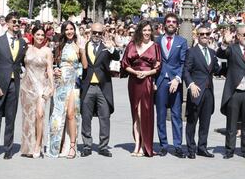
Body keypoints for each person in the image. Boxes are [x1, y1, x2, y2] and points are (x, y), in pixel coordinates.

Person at [0, 12, 27, 160]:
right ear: (7, 23)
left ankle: (8, 149)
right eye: (14, 22)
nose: (17, 25)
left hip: (14, 85)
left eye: (19, 23)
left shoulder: (22, 43)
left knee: (10, 118)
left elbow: (24, 64)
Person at [216, 26, 245, 159]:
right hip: (234, 92)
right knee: (232, 123)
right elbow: (220, 54)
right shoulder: (233, 49)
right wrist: (225, 42)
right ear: (239, 36)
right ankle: (229, 150)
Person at [121, 20, 161, 157]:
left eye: (149, 30)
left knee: (144, 112)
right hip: (133, 81)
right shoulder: (132, 45)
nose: (147, 33)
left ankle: (145, 144)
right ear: (140, 31)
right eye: (144, 30)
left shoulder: (155, 46)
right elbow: (125, 63)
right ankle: (137, 144)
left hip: (147, 81)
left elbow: (158, 66)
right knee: (135, 114)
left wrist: (147, 73)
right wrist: (135, 72)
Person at [47, 21, 87, 158]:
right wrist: (55, 70)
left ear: (74, 30)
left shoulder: (78, 46)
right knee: (57, 115)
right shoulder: (59, 47)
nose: (69, 31)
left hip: (73, 83)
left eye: (71, 29)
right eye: (67, 29)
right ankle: (56, 145)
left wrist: (82, 50)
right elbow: (53, 64)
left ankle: (71, 146)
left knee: (71, 114)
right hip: (60, 83)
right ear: (63, 31)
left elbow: (85, 66)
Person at [80, 22, 120, 158]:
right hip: (88, 86)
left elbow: (117, 58)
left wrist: (111, 48)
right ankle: (87, 145)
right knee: (86, 117)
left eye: (99, 33)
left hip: (103, 87)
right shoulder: (84, 46)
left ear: (103, 33)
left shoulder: (106, 46)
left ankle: (103, 146)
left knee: (105, 117)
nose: (96, 35)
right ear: (90, 32)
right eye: (94, 32)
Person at [183, 24, 220, 159]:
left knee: (205, 121)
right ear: (197, 36)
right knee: (192, 121)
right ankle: (191, 148)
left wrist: (219, 65)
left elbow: (215, 70)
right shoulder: (191, 52)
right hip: (196, 91)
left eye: (207, 34)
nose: (205, 36)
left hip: (209, 91)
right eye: (202, 34)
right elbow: (186, 70)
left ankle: (202, 147)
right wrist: (191, 84)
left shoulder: (211, 52)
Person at [155, 13, 188, 158]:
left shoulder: (182, 41)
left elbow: (183, 62)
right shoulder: (156, 40)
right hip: (161, 81)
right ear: (164, 24)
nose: (171, 24)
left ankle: (178, 146)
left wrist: (178, 78)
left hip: (175, 82)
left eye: (174, 22)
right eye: (168, 21)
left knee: (176, 115)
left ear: (177, 25)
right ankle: (163, 145)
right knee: (161, 115)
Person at [20, 26, 54, 158]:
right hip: (27, 87)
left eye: (42, 35)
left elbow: (50, 69)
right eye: (38, 34)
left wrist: (51, 86)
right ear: (33, 35)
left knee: (40, 115)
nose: (40, 37)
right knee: (28, 118)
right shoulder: (26, 49)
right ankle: (27, 147)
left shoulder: (47, 51)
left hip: (41, 87)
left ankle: (38, 145)